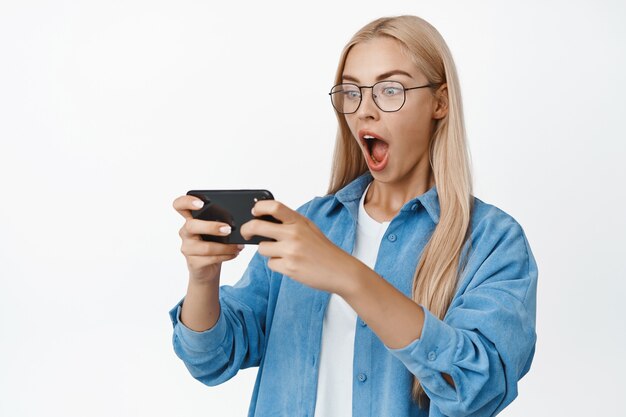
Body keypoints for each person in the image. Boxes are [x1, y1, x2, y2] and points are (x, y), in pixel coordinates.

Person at [169, 15, 538, 417]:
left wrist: (347, 275)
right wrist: (202, 278)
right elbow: (209, 359)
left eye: (390, 90)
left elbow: (478, 388)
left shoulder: (492, 241)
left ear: (440, 101)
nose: (364, 111)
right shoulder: (307, 225)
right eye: (352, 92)